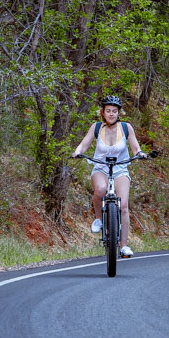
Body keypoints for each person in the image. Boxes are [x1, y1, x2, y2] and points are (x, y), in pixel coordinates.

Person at [70, 95, 149, 257]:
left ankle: (124, 246)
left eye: (114, 111)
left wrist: (140, 153)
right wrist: (78, 152)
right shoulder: (97, 127)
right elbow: (85, 143)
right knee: (100, 189)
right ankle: (99, 218)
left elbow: (135, 148)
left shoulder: (126, 128)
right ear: (103, 112)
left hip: (120, 169)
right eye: (108, 111)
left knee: (124, 205)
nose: (111, 114)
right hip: (101, 168)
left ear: (118, 113)